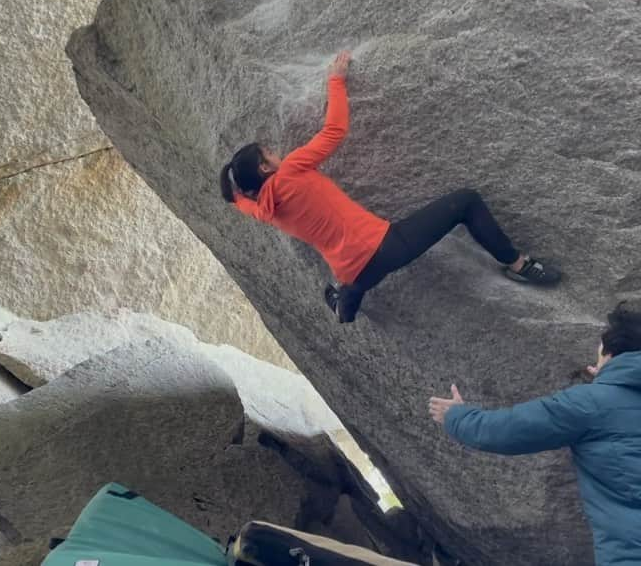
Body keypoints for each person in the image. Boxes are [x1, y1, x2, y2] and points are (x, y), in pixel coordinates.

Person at [220, 51, 560, 323]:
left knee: (354, 284)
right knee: (466, 202)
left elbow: (246, 206)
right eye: (269, 153)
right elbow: (335, 130)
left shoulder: (266, 211)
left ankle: (345, 307)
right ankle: (519, 265)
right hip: (385, 247)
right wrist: (336, 81)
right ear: (266, 167)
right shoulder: (290, 170)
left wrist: (234, 198)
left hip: (353, 272)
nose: (277, 153)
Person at [429, 302, 641, 566]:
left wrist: (456, 417)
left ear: (612, 354)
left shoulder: (590, 402)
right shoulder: (595, 400)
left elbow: (507, 431)